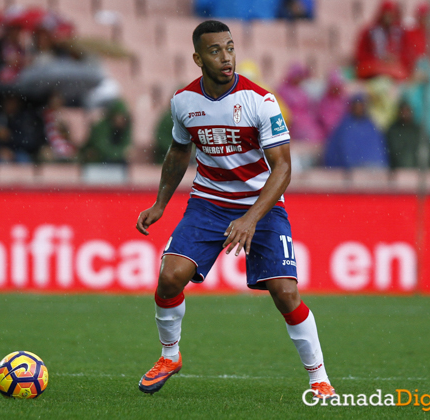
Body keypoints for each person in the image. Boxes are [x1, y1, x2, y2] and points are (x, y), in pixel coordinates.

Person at [135, 20, 337, 400]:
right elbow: (179, 151)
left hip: (262, 204)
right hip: (209, 202)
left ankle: (319, 377)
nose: (226, 57)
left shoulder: (260, 101)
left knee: (285, 292)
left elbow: (283, 169)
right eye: (215, 51)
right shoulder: (183, 102)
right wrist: (161, 203)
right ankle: (169, 356)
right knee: (169, 277)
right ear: (198, 58)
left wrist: (250, 218)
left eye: (229, 48)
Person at [323, 94, 388, 169]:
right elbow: (335, 150)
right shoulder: (344, 127)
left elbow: (379, 151)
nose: (358, 109)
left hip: (372, 169)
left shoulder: (371, 127)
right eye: (356, 106)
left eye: (361, 106)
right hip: (349, 170)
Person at [354, 1, 408, 80]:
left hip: (392, 70)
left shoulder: (400, 33)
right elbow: (360, 55)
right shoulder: (369, 31)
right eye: (386, 14)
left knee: (400, 72)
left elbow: (405, 55)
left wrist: (393, 59)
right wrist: (379, 59)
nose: (388, 18)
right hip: (373, 68)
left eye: (391, 15)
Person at [386, 101, 430, 170]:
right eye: (403, 111)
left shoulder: (418, 131)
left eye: (407, 111)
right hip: (400, 172)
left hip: (419, 171)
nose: (405, 114)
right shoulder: (393, 131)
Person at [79, 99, 131, 164]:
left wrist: (119, 154)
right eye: (118, 116)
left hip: (113, 158)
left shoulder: (125, 128)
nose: (120, 120)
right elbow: (101, 147)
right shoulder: (101, 126)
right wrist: (117, 154)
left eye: (122, 117)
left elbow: (126, 145)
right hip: (97, 159)